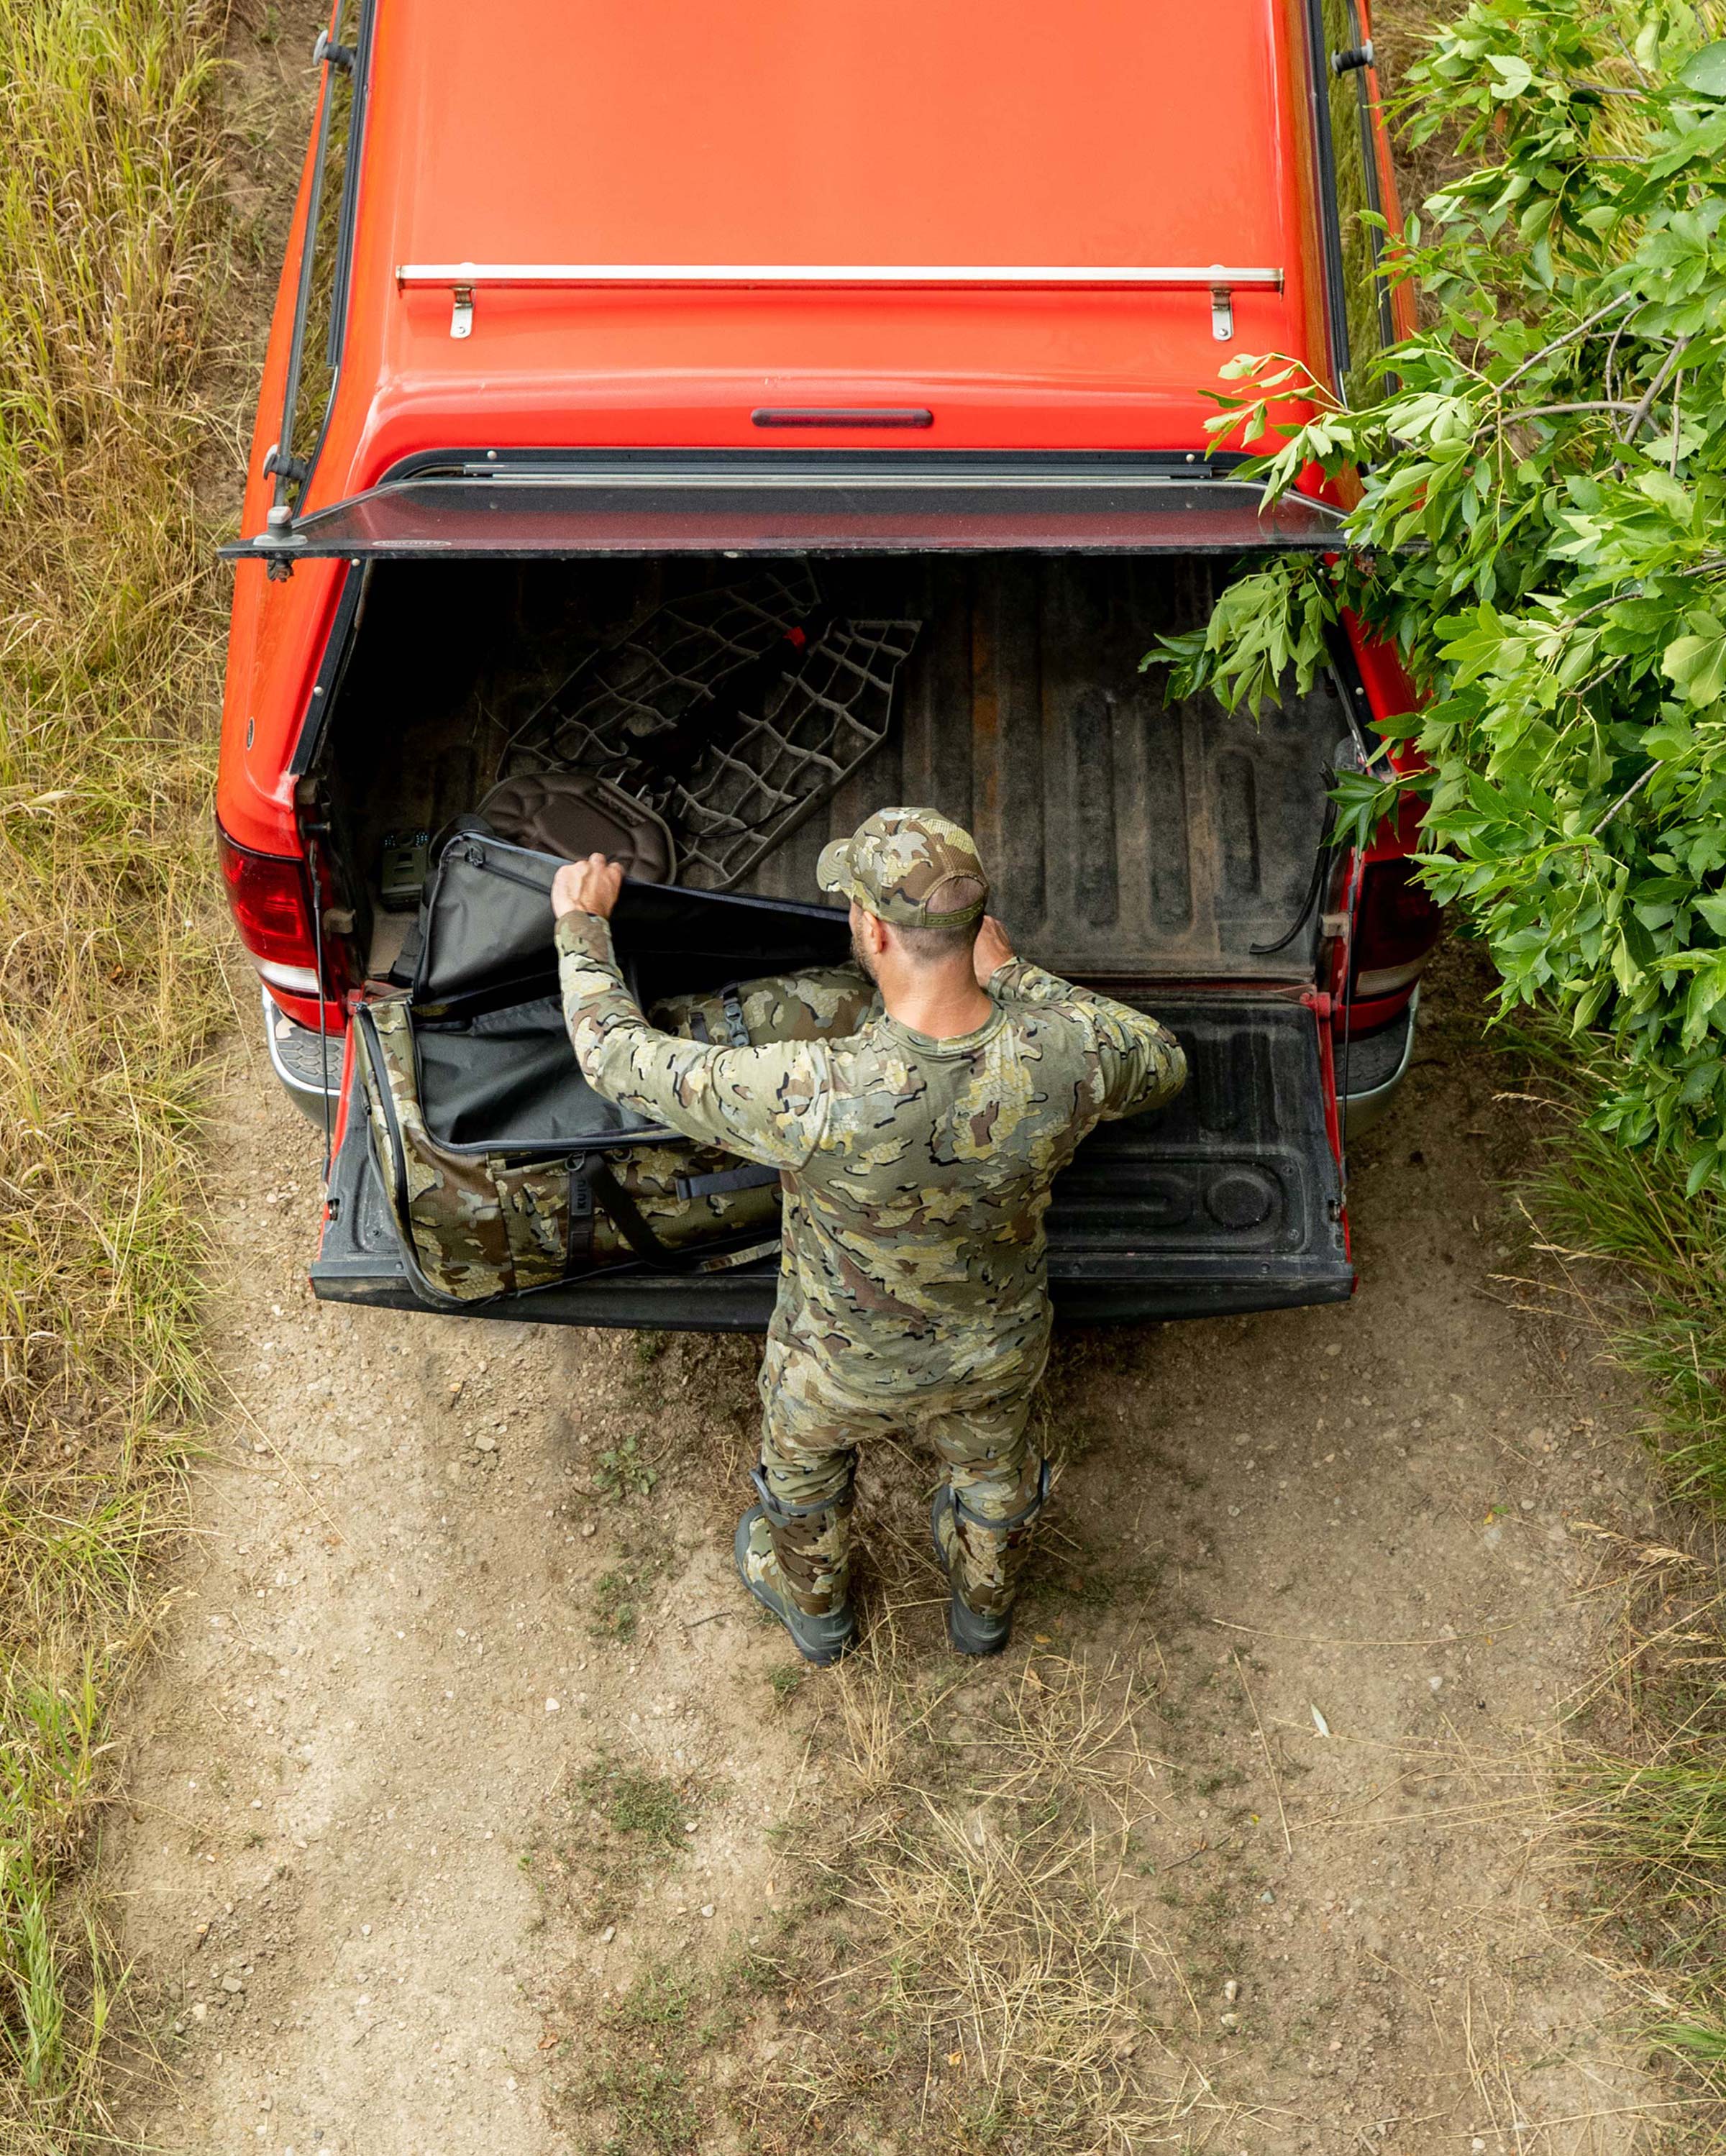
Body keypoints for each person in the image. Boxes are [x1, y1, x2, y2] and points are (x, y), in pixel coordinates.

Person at [552, 808, 1186, 1664]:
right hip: (994, 1349)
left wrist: (582, 925)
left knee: (802, 1468)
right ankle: (982, 1613)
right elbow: (1163, 1057)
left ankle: (817, 1612)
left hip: (838, 1363)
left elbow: (614, 1057)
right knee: (993, 1471)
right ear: (971, 928)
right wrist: (1020, 976)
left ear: (874, 932)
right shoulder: (1064, 1055)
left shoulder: (815, 1090)